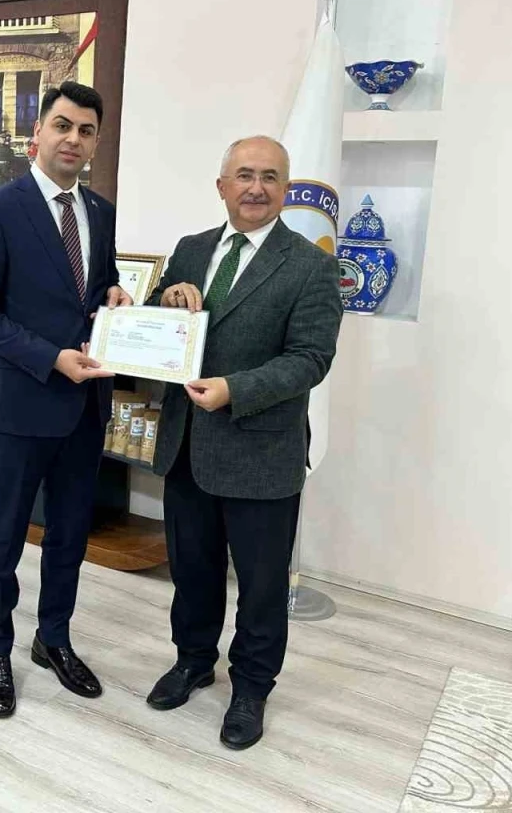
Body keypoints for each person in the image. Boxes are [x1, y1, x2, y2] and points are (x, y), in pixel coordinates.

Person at [143, 135, 342, 750]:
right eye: (245, 175)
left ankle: (251, 688)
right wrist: (164, 299)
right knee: (192, 570)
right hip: (187, 446)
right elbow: (156, 323)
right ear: (222, 186)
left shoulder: (310, 264)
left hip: (262, 452)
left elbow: (311, 358)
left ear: (286, 189)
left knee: (261, 586)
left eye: (271, 177)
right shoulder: (190, 249)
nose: (257, 188)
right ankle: (192, 661)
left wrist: (236, 389)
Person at [0, 81, 134, 719]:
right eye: (63, 125)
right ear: (38, 132)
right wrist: (50, 357)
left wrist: (114, 294)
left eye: (86, 131)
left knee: (69, 537)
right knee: (1, 538)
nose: (73, 139)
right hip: (18, 406)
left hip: (84, 409)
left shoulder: (101, 212)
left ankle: (53, 638)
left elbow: (94, 287)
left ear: (95, 142)